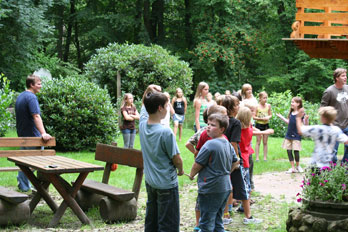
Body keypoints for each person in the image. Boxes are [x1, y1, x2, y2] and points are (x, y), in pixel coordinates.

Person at [139, 87, 184, 232]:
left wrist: (147, 90)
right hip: (166, 185)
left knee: (151, 220)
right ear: (160, 108)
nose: (168, 108)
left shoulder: (142, 125)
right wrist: (181, 170)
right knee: (168, 225)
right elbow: (176, 158)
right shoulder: (165, 132)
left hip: (151, 182)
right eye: (166, 105)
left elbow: (144, 105)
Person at [189, 113, 238, 232]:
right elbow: (235, 162)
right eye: (208, 124)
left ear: (222, 129)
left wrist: (191, 175)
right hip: (225, 186)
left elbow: (197, 164)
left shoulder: (210, 144)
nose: (208, 127)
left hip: (211, 187)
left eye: (213, 125)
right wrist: (226, 172)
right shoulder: (227, 143)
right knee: (217, 220)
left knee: (206, 222)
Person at [15, 74, 52, 192]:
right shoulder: (31, 98)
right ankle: (28, 186)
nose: (41, 86)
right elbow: (36, 116)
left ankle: (24, 186)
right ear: (31, 85)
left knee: (25, 162)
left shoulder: (21, 96)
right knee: (35, 162)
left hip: (23, 135)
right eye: (39, 84)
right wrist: (43, 133)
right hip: (32, 136)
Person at [236, 106, 273, 224]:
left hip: (238, 160)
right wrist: (266, 131)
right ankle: (248, 216)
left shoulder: (236, 129)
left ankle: (237, 207)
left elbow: (254, 129)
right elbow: (255, 131)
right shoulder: (246, 130)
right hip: (244, 160)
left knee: (238, 184)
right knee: (246, 186)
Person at [321, 68, 348, 163]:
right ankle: (331, 173)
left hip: (346, 125)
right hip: (334, 126)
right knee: (332, 153)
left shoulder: (347, 88)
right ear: (337, 78)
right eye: (343, 76)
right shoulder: (329, 91)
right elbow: (322, 110)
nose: (346, 77)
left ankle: (344, 170)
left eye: (346, 75)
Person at [276, 97, 308, 173]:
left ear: (298, 104)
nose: (291, 103)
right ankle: (292, 167)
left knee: (296, 151)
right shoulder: (291, 113)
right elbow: (289, 122)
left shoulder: (301, 114)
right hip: (289, 134)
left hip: (297, 135)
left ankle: (298, 166)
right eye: (291, 102)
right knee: (289, 151)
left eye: (293, 102)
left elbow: (305, 125)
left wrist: (306, 120)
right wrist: (281, 117)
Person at [254, 91, 272, 162]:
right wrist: (261, 119)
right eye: (264, 98)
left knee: (265, 142)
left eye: (266, 98)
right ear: (260, 98)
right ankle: (257, 158)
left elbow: (270, 114)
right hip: (259, 125)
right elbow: (254, 117)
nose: (265, 99)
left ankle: (265, 158)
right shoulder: (257, 107)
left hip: (266, 125)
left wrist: (268, 117)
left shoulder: (268, 106)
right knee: (258, 141)